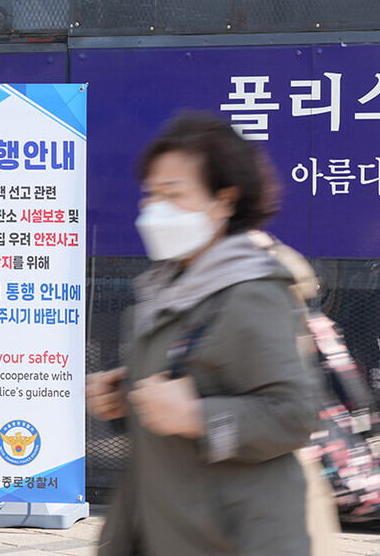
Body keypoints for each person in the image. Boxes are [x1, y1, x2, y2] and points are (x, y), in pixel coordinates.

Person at [87, 113, 321, 556]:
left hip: (238, 540)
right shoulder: (166, 289)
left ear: (224, 201)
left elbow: (295, 415)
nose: (154, 210)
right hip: (166, 528)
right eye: (151, 193)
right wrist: (124, 398)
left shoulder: (252, 292)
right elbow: (184, 387)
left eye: (174, 193)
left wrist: (199, 416)